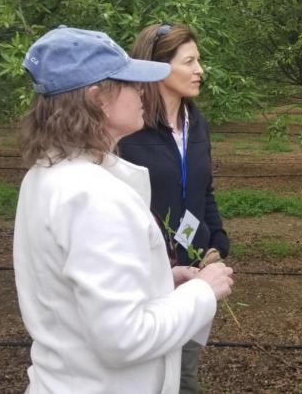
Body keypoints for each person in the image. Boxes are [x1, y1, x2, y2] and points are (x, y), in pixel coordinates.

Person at [13, 26, 235, 394]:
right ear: (99, 97)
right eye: (131, 83)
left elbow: (84, 296)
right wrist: (202, 293)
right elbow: (124, 338)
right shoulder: (94, 197)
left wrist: (163, 281)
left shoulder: (47, 176)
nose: (142, 92)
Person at [118, 23, 229, 393]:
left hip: (194, 272)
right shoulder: (127, 131)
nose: (200, 70)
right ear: (157, 67)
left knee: (184, 374)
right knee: (149, 375)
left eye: (200, 61)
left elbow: (204, 192)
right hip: (145, 277)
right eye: (190, 61)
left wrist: (217, 243)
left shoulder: (197, 125)